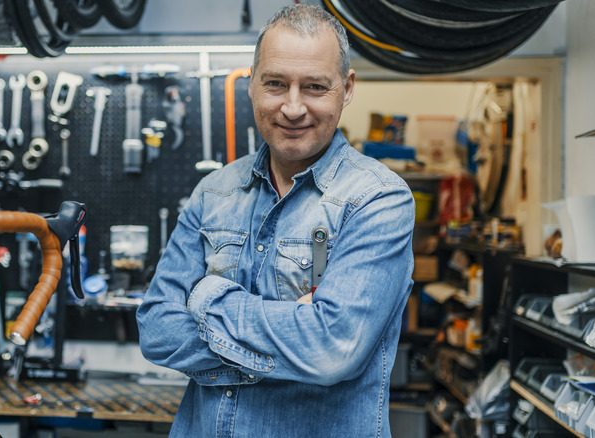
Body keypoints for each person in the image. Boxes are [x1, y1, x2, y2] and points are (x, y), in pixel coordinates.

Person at [136, 4, 414, 437]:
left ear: (347, 87)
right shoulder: (214, 193)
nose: (293, 107)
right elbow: (157, 330)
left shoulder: (377, 200)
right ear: (252, 84)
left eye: (315, 87)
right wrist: (291, 334)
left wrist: (207, 299)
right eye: (276, 84)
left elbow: (330, 350)